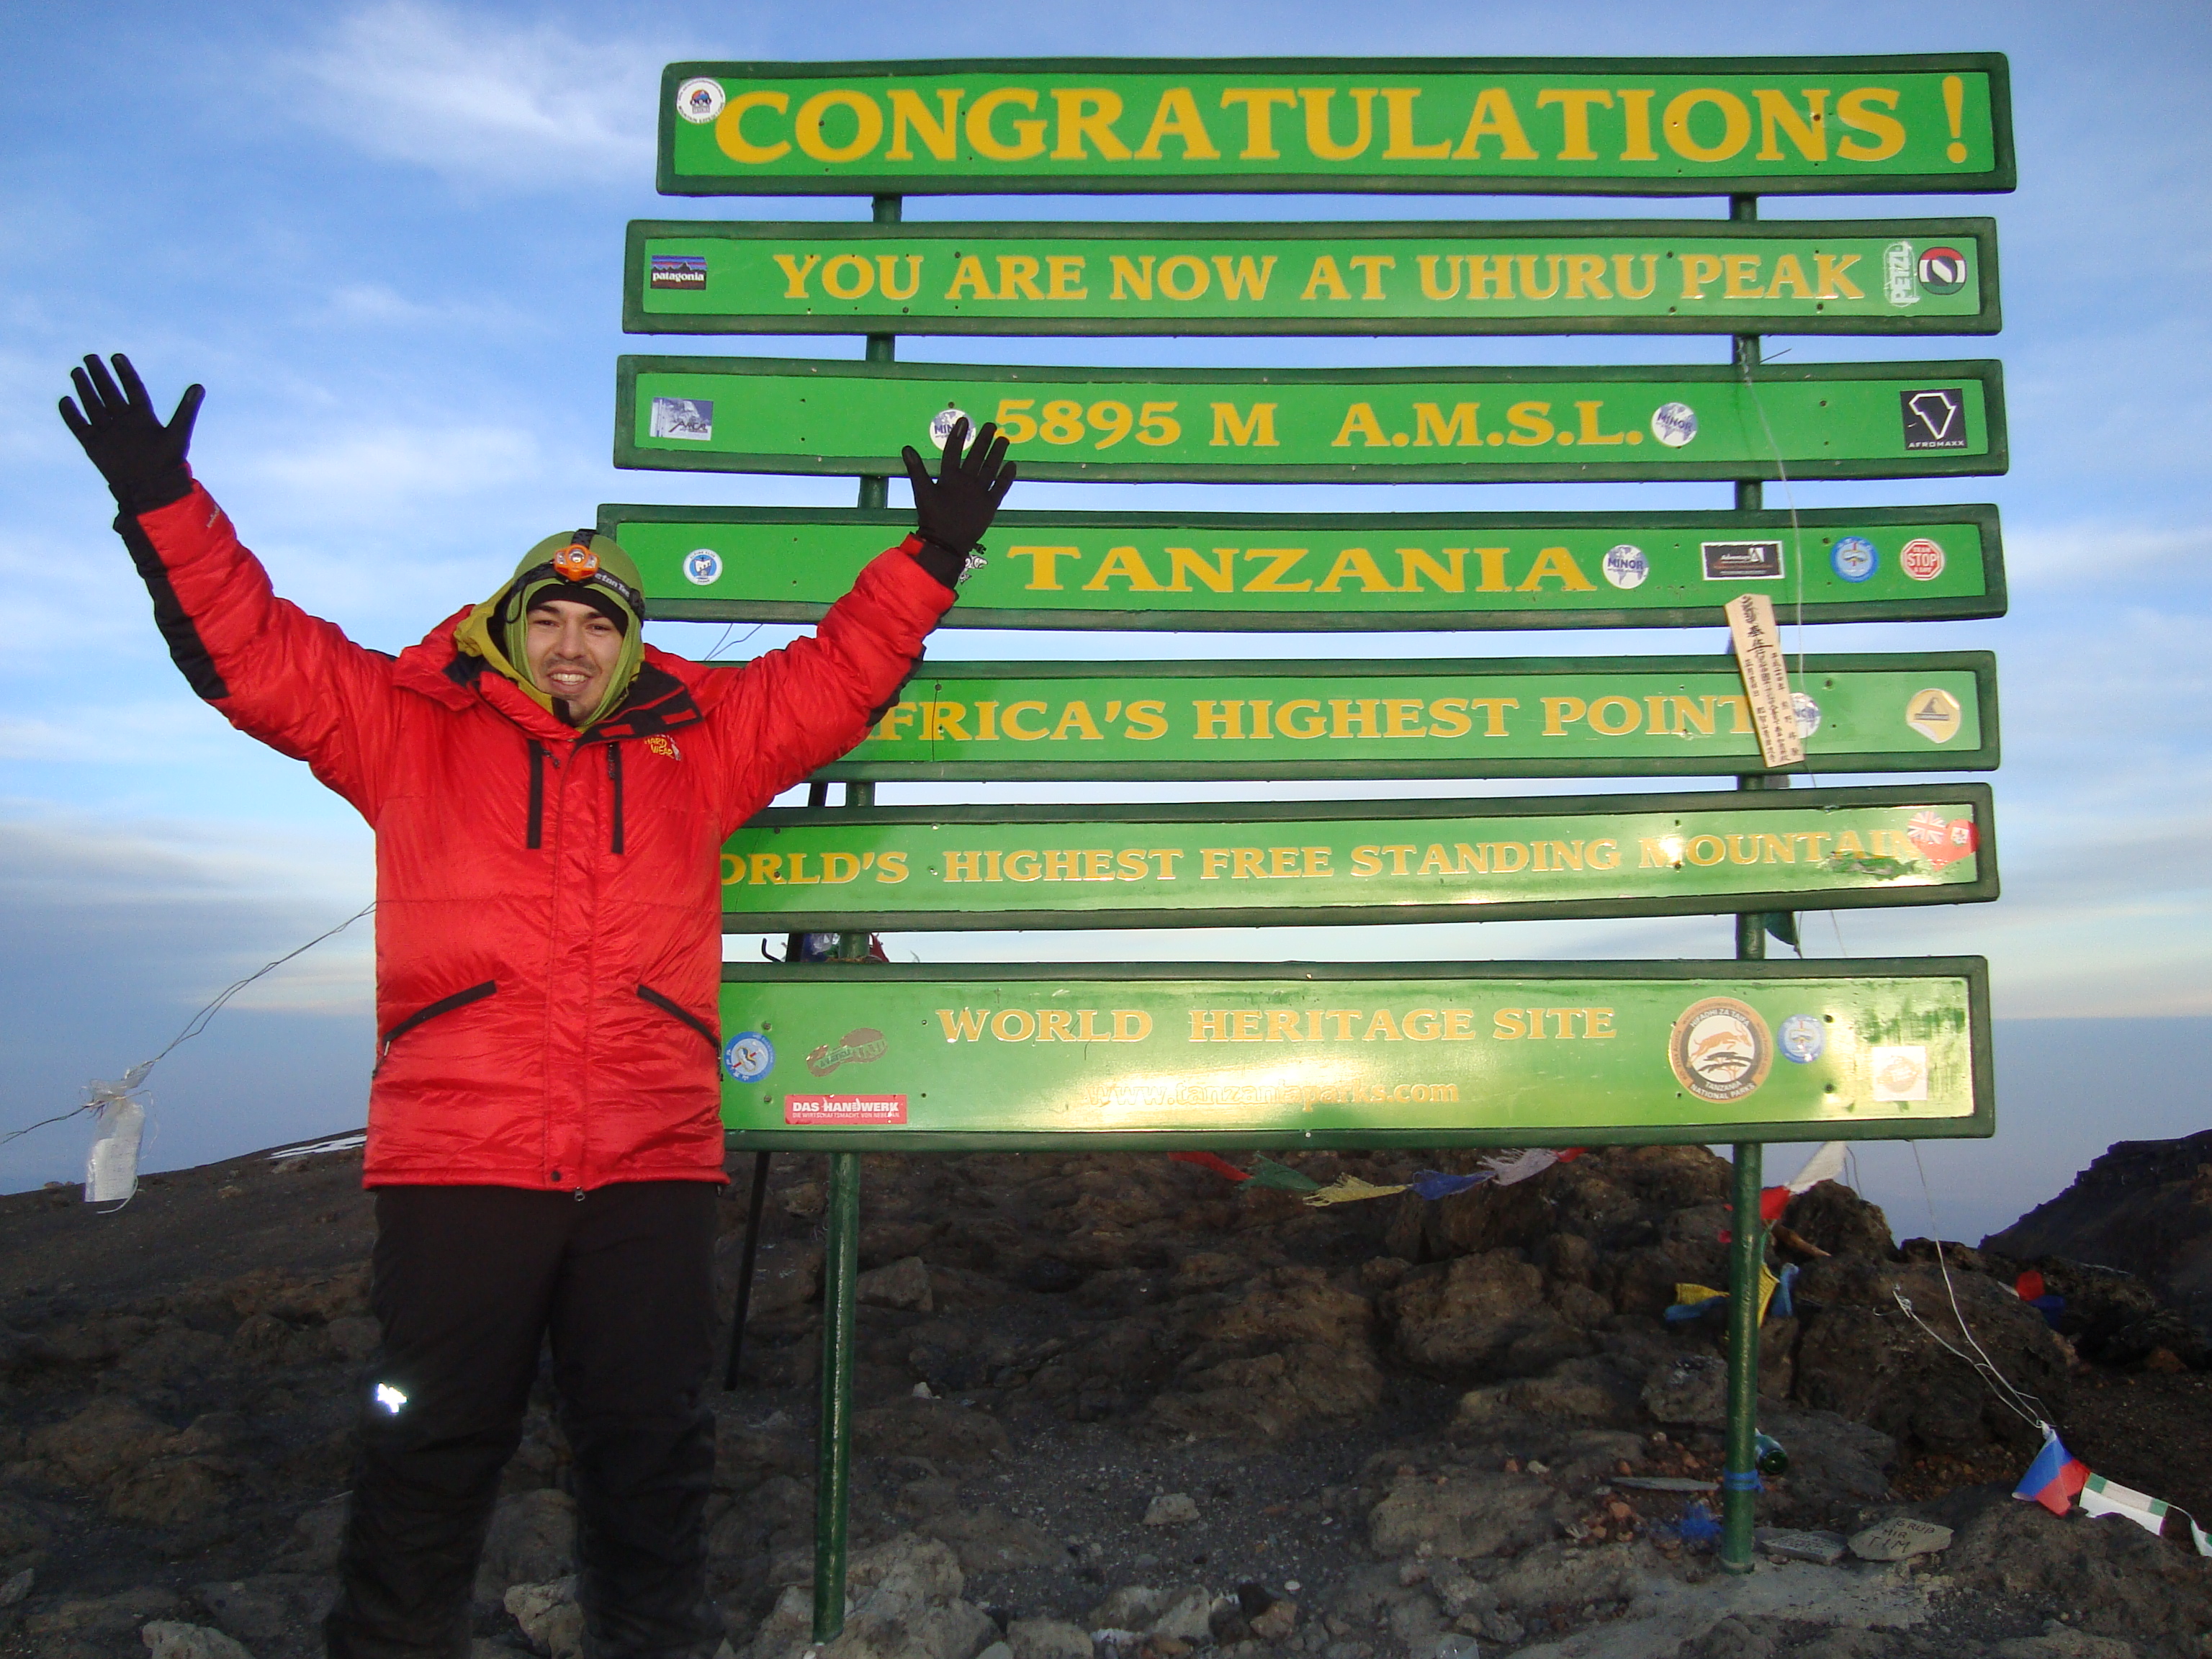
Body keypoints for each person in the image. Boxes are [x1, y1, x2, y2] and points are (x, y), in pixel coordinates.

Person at [59, 354, 1015, 1659]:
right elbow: (254, 650)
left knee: (651, 1457)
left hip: (647, 1169)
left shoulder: (705, 739)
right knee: (429, 1454)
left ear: (631, 642)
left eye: (602, 623)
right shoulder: (405, 727)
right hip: (462, 1168)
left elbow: (837, 676)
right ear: (510, 624)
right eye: (549, 619)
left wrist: (935, 552)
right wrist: (162, 500)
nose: (574, 645)